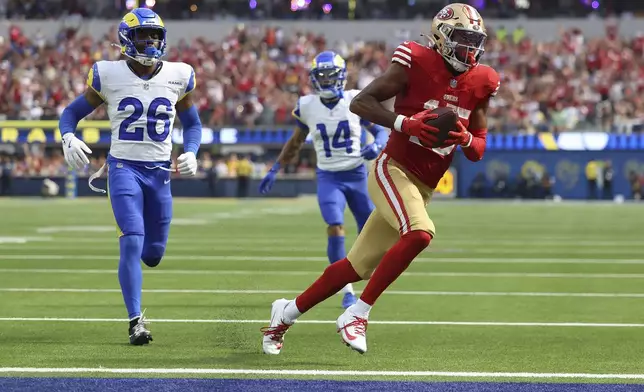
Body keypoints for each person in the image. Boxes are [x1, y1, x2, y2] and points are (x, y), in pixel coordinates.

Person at [261, 3, 499, 355]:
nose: (470, 49)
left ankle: (285, 314)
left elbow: (478, 148)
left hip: (424, 184)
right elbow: (361, 102)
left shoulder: (482, 80)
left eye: (474, 40)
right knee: (420, 233)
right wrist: (406, 123)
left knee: (354, 267)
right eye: (463, 39)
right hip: (393, 169)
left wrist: (465, 138)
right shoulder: (415, 59)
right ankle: (358, 314)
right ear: (441, 36)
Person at [58, 8, 202, 345]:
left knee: (153, 254)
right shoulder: (108, 74)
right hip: (124, 169)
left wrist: (192, 150)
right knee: (132, 240)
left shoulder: (180, 75)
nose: (150, 42)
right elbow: (71, 112)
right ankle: (136, 321)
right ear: (127, 39)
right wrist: (68, 135)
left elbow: (192, 123)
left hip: (161, 173)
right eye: (143, 36)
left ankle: (138, 273)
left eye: (155, 36)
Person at [259, 51, 389, 309]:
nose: (327, 82)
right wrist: (276, 167)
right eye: (322, 77)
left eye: (332, 77)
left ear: (341, 77)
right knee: (335, 226)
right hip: (329, 177)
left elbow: (380, 130)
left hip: (356, 174)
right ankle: (346, 291)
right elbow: (296, 141)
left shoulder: (354, 99)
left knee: (371, 231)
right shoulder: (307, 105)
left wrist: (378, 145)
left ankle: (363, 273)